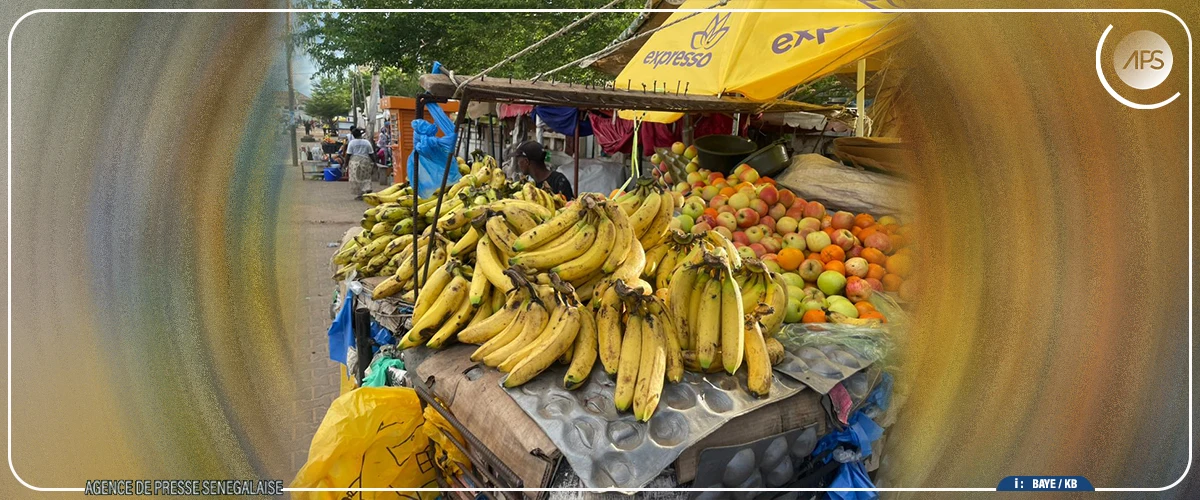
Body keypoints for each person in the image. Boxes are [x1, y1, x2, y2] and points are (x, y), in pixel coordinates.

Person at [343, 128, 377, 199]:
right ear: (361, 134)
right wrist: (375, 162)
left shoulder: (352, 143)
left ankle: (360, 194)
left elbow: (348, 154)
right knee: (366, 177)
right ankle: (367, 190)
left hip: (355, 162)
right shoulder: (366, 142)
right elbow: (371, 153)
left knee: (356, 178)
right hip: (365, 161)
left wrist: (345, 164)